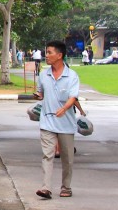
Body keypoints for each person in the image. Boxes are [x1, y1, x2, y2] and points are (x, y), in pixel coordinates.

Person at [35, 40, 82, 199]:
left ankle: (66, 187)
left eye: (49, 52)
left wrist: (63, 109)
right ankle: (45, 188)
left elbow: (73, 97)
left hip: (66, 124)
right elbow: (40, 93)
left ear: (59, 55)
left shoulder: (72, 76)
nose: (46, 55)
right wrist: (38, 96)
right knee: (47, 155)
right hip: (47, 122)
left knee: (67, 158)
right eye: (46, 52)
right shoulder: (43, 74)